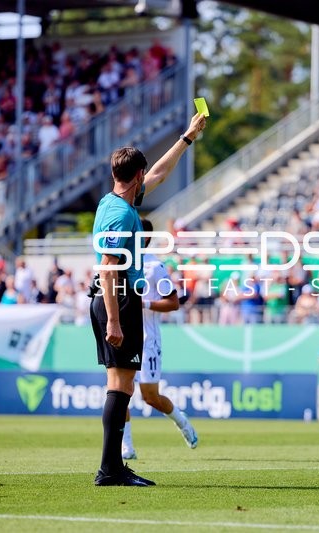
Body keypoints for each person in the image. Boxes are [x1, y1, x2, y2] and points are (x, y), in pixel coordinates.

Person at [90, 112, 206, 487]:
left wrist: (187, 138)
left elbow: (158, 173)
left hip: (115, 297)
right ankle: (110, 470)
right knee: (120, 387)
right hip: (118, 299)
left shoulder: (112, 202)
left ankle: (113, 468)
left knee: (119, 387)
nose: (148, 179)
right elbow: (109, 267)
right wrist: (114, 319)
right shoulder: (123, 215)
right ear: (134, 176)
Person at [121, 219, 199, 460]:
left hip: (148, 341)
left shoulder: (154, 267)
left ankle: (182, 421)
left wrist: (142, 303)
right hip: (123, 338)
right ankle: (126, 447)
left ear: (143, 238)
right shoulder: (120, 263)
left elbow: (173, 302)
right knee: (119, 391)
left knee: (150, 397)